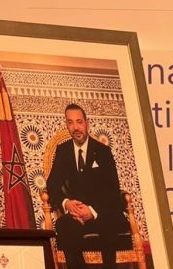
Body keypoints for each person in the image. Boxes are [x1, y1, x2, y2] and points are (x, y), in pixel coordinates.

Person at [46, 103, 129, 269]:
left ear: (87, 123)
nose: (75, 127)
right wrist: (67, 204)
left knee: (109, 225)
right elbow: (52, 185)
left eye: (79, 122)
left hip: (102, 212)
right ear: (67, 125)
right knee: (63, 226)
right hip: (76, 215)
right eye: (70, 122)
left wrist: (92, 211)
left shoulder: (103, 151)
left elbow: (113, 190)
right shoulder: (63, 151)